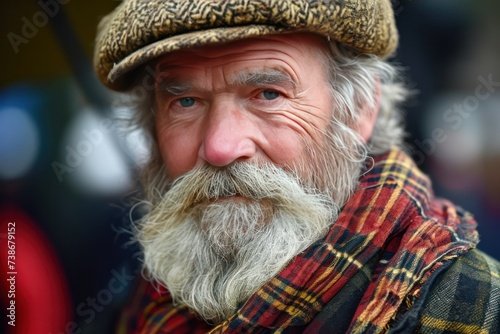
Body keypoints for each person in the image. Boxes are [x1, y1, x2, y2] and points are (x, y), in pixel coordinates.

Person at [94, 0, 500, 332]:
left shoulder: (474, 309)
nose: (219, 147)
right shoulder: (132, 309)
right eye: (185, 102)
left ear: (360, 109)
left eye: (268, 93)